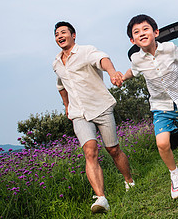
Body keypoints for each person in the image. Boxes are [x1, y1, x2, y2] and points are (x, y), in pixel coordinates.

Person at [121, 14, 178, 199]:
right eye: (136, 32)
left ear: (155, 32)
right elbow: (133, 71)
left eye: (145, 29)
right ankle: (175, 174)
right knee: (162, 143)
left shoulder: (169, 49)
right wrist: (121, 77)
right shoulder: (136, 59)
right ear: (133, 40)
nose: (142, 33)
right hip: (160, 106)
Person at [52, 21, 135, 213]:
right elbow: (61, 86)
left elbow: (103, 59)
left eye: (63, 32)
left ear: (73, 35)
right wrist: (66, 106)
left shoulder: (86, 51)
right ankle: (101, 198)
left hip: (101, 107)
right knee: (90, 151)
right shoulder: (56, 62)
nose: (59, 36)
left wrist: (113, 73)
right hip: (78, 113)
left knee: (113, 149)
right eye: (56, 34)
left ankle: (129, 181)